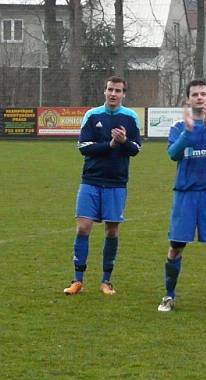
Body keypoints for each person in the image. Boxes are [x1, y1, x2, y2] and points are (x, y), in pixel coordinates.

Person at [157, 79, 206, 313]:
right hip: (186, 194)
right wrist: (189, 133)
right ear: (188, 99)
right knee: (176, 247)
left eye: (203, 94)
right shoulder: (179, 126)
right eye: (194, 94)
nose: (199, 97)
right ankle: (169, 295)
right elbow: (172, 154)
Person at [64, 76, 142, 296]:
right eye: (110, 89)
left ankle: (106, 281)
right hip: (91, 180)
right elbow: (84, 147)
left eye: (117, 90)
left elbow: (136, 149)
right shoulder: (92, 115)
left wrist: (124, 141)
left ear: (123, 94)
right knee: (83, 227)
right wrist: (110, 144)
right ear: (104, 91)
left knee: (112, 230)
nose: (113, 94)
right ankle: (77, 280)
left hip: (116, 183)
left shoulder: (130, 117)